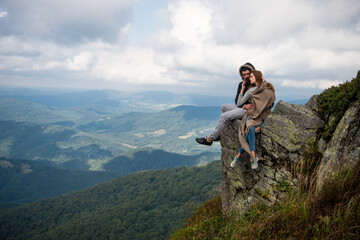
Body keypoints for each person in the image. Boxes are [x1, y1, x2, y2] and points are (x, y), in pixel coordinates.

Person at [196, 62, 256, 146]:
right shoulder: (242, 84)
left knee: (224, 116)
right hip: (243, 107)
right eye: (244, 74)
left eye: (248, 74)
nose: (246, 76)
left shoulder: (256, 84)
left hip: (250, 110)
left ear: (253, 73)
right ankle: (221, 132)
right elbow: (237, 101)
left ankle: (209, 139)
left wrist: (245, 105)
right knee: (224, 107)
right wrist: (243, 103)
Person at [231, 70, 275, 169]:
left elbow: (271, 100)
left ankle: (238, 156)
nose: (249, 78)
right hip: (251, 115)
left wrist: (265, 83)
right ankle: (254, 157)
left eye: (251, 76)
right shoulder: (251, 91)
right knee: (250, 128)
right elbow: (239, 103)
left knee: (253, 131)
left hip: (263, 115)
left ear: (257, 78)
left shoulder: (267, 90)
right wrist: (242, 90)